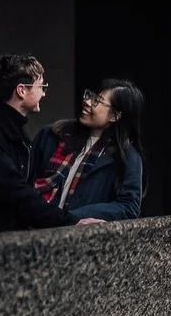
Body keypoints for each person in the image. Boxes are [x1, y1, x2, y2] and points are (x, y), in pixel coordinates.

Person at [0, 54, 100, 236]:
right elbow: (15, 192)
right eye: (41, 86)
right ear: (21, 91)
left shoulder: (10, 130)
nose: (44, 93)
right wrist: (69, 221)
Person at [30, 80, 147, 222]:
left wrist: (77, 216)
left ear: (115, 116)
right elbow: (24, 181)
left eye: (97, 101)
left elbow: (129, 206)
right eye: (90, 96)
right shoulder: (53, 135)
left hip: (75, 235)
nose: (87, 102)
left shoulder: (125, 156)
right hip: (34, 225)